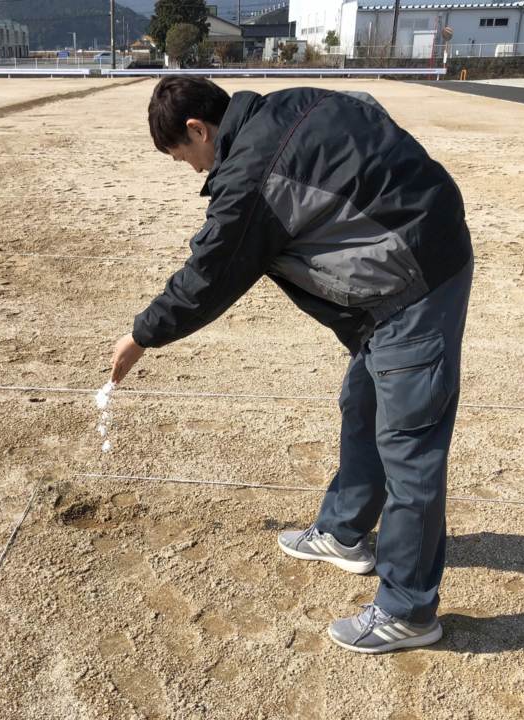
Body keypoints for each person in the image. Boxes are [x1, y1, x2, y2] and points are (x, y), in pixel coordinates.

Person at [109, 76, 473, 654]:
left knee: (411, 449)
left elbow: (210, 273)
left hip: (414, 282)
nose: (193, 170)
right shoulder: (288, 103)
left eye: (184, 156)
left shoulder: (252, 173)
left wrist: (140, 336)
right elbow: (371, 116)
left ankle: (409, 610)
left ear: (199, 129)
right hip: (399, 267)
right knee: (363, 403)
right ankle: (344, 531)